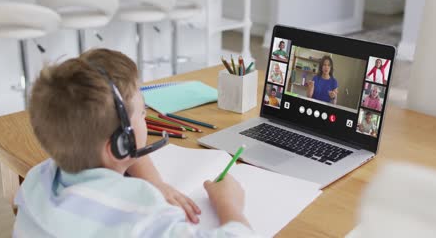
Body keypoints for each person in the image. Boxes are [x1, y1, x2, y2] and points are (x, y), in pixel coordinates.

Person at [13, 49, 255, 237]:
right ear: (120, 143)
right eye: (142, 112)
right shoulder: (141, 212)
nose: (146, 114)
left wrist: (155, 181)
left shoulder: (38, 181)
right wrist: (229, 205)